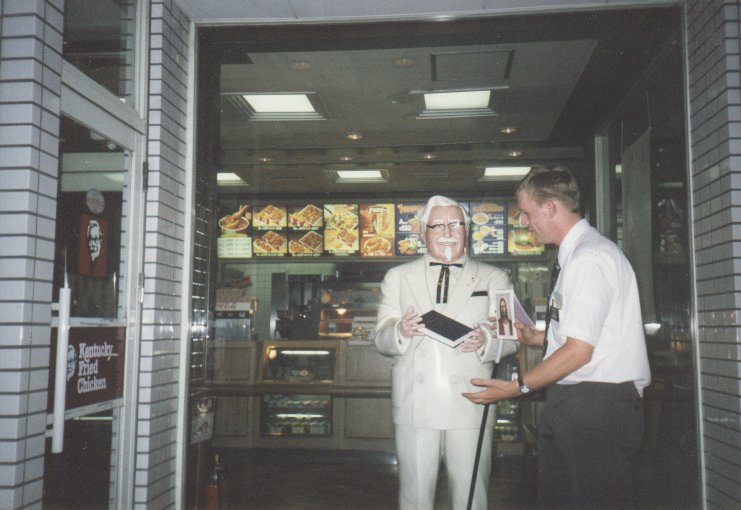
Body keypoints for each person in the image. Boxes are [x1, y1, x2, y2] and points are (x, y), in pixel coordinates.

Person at [463, 166, 651, 509]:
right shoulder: (579, 255)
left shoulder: (589, 260)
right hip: (583, 403)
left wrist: (517, 387)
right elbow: (587, 335)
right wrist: (536, 337)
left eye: (526, 212)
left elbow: (579, 352)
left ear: (550, 208)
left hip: (595, 406)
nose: (523, 222)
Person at [374, 195, 519, 510]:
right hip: (415, 403)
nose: (448, 232)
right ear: (422, 232)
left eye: (455, 224)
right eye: (437, 225)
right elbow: (381, 337)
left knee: (471, 495)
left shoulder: (496, 277)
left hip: (471, 400)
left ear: (467, 229)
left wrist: (486, 340)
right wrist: (400, 330)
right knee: (414, 496)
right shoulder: (397, 277)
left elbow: (511, 336)